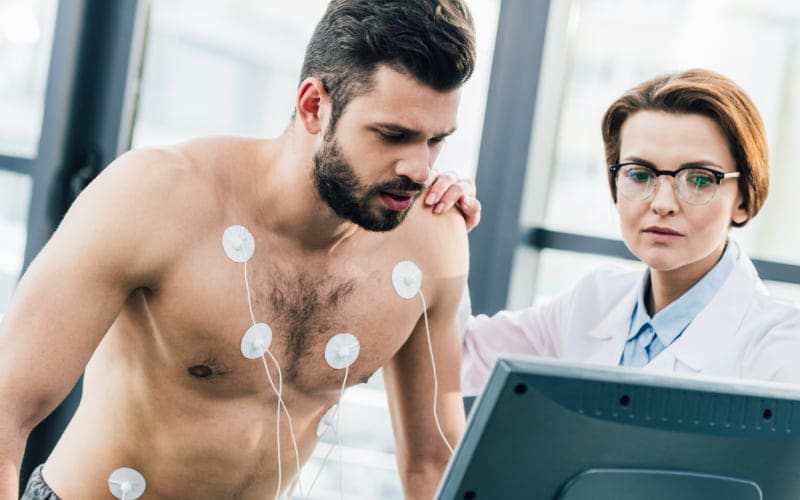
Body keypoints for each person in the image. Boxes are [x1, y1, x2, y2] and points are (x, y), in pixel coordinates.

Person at [0, 1, 476, 498]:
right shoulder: (155, 197)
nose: (420, 168)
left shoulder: (433, 243)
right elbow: (5, 405)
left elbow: (433, 462)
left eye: (436, 141)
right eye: (393, 135)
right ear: (314, 107)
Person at [431, 68, 800, 396]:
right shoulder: (594, 301)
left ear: (744, 199)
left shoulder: (781, 345)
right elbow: (454, 360)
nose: (662, 203)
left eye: (699, 179)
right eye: (640, 175)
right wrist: (441, 224)